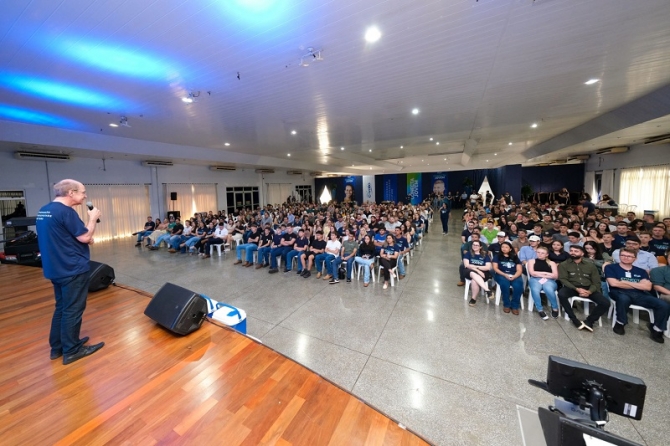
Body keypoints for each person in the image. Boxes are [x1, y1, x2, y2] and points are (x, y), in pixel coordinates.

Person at [35, 179, 104, 365]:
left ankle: (58, 347)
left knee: (62, 308)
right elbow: (84, 236)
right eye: (83, 192)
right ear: (71, 193)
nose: (85, 195)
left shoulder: (44, 210)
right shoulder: (66, 212)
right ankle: (72, 350)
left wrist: (84, 238)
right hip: (71, 268)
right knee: (73, 310)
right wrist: (92, 219)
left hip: (55, 267)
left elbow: (62, 236)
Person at [605, 248, 670, 343]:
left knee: (663, 305)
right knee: (624, 299)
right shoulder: (611, 267)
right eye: (623, 255)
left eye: (629, 256)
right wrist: (638, 285)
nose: (626, 258)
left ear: (635, 258)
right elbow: (614, 284)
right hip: (618, 292)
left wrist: (624, 282)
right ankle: (620, 323)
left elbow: (647, 287)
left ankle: (657, 329)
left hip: (640, 294)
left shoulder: (641, 271)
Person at [557, 245, 610, 331]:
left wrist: (589, 291)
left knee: (605, 303)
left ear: (582, 253)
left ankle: (589, 321)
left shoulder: (590, 265)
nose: (573, 252)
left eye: (576, 251)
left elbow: (596, 282)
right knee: (561, 294)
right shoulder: (564, 264)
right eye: (571, 251)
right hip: (572, 287)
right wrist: (576, 289)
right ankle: (574, 319)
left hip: (588, 288)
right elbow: (563, 279)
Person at [527, 246, 560, 319]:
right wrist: (547, 273)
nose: (540, 254)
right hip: (535, 279)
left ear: (547, 254)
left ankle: (555, 308)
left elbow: (555, 276)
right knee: (535, 289)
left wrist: (541, 274)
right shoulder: (532, 261)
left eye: (542, 253)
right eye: (538, 252)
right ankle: (540, 309)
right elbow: (532, 273)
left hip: (549, 280)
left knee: (548, 288)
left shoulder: (552, 263)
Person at [492, 242, 524, 314]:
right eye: (503, 247)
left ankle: (515, 306)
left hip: (514, 274)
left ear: (510, 249)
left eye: (506, 247)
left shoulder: (515, 257)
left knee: (518, 286)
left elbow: (519, 270)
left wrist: (515, 276)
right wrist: (505, 274)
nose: (504, 248)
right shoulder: (497, 256)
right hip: (501, 274)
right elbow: (495, 268)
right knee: (505, 285)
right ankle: (506, 304)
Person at [463, 241, 493, 306]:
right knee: (472, 273)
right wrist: (478, 270)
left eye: (477, 245)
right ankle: (487, 290)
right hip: (469, 271)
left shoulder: (485, 255)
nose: (475, 246)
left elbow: (488, 267)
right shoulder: (468, 253)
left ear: (480, 247)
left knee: (474, 280)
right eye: (473, 245)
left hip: (483, 273)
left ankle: (473, 299)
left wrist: (476, 267)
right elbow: (467, 265)